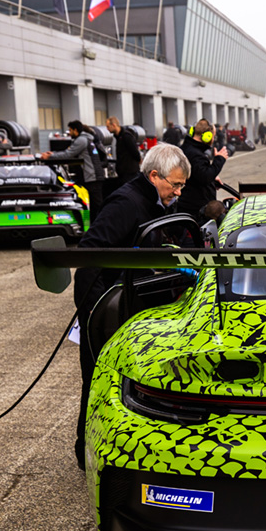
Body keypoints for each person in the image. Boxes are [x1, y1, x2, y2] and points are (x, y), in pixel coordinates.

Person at [71, 144, 191, 469]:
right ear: (154, 176)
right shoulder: (126, 202)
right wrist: (97, 311)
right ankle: (86, 450)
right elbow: (90, 254)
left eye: (182, 186)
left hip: (132, 301)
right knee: (98, 375)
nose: (178, 192)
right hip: (106, 304)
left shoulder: (155, 200)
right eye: (175, 185)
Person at [40, 120, 104, 215]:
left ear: (75, 130)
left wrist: (50, 157)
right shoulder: (85, 139)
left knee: (96, 204)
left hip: (92, 177)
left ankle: (101, 224)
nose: (69, 133)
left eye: (70, 130)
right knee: (94, 204)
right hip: (92, 176)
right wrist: (53, 154)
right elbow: (69, 152)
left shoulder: (81, 140)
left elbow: (68, 154)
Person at [176, 119, 228, 223]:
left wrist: (212, 178)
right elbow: (205, 177)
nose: (213, 139)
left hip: (189, 205)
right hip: (196, 209)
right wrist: (220, 159)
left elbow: (196, 174)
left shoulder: (186, 148)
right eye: (213, 136)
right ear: (207, 136)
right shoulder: (196, 154)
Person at [105, 116, 141, 186]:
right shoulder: (118, 137)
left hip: (130, 172)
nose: (107, 129)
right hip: (124, 173)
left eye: (108, 126)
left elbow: (135, 153)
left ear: (114, 125)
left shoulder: (126, 136)